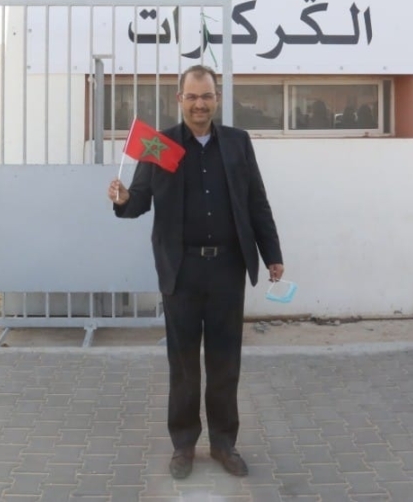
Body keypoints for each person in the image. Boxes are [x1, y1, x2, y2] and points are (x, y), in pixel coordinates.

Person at [107, 65, 284, 479]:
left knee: (225, 362)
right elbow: (139, 202)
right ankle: (183, 445)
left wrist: (271, 253)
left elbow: (256, 201)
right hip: (181, 270)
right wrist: (123, 197)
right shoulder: (161, 144)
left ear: (217, 98)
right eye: (192, 97)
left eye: (206, 96)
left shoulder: (237, 143)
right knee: (184, 363)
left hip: (227, 267)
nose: (199, 104)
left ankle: (223, 444)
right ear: (180, 99)